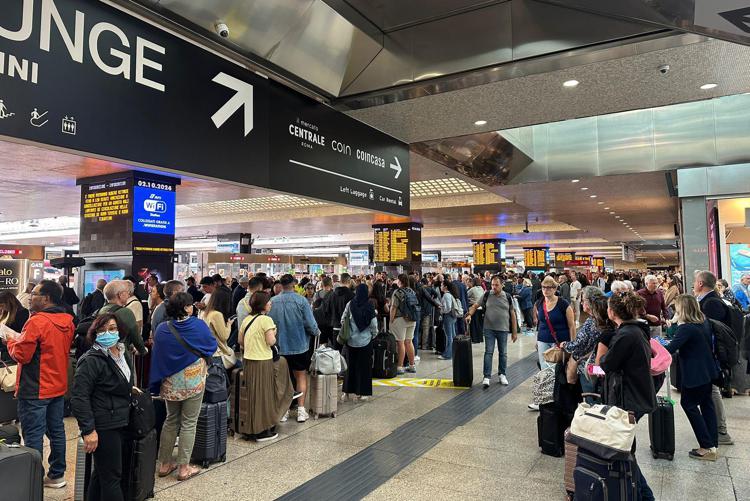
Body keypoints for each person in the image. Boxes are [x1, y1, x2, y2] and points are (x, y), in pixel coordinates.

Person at [6, 280, 75, 488]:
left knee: (33, 434)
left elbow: (22, 355)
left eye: (34, 293)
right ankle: (57, 475)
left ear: (46, 298)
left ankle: (33, 478)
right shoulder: (67, 320)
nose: (30, 297)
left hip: (35, 387)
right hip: (57, 385)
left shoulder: (36, 322)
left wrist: (10, 341)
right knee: (56, 431)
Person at [150, 292, 217, 481]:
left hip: (170, 382)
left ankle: (164, 464)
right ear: (187, 307)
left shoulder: (163, 329)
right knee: (189, 422)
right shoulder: (197, 325)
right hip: (193, 380)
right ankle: (183, 468)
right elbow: (210, 346)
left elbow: (159, 353)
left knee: (171, 420)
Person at [71, 314, 136, 500]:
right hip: (104, 424)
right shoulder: (91, 359)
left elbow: (117, 381)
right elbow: (79, 396)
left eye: (113, 328)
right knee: (112, 477)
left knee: (102, 473)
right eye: (102, 330)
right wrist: (88, 429)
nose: (108, 333)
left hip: (120, 419)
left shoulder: (122, 353)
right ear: (95, 333)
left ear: (120, 330)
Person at [600, 292, 657, 500]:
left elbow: (607, 363)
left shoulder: (625, 335)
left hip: (629, 396)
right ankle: (634, 492)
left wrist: (605, 354)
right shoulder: (637, 329)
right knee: (625, 447)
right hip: (637, 393)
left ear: (613, 312)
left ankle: (644, 494)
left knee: (624, 450)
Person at [237, 292, 298, 442]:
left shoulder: (247, 319)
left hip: (248, 361)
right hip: (263, 361)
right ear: (263, 305)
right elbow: (271, 341)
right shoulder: (266, 320)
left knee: (252, 395)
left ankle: (250, 429)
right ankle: (262, 430)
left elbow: (240, 340)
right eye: (268, 302)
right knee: (263, 396)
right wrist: (274, 332)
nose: (270, 304)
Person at [665, 295, 719, 460]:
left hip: (695, 374)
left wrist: (671, 326)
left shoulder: (686, 328)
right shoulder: (703, 322)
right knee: (707, 405)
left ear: (683, 309)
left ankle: (706, 446)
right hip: (708, 371)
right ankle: (712, 443)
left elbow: (671, 348)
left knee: (688, 404)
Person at [268, 274, 319, 423]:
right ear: (294, 284)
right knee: (301, 376)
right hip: (299, 346)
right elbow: (310, 324)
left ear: (281, 285)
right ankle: (301, 410)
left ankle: (283, 411)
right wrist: (316, 332)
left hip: (280, 347)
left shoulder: (273, 301)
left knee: (283, 379)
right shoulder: (301, 301)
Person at [693, 270, 734, 445]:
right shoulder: (713, 300)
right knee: (710, 391)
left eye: (696, 281)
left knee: (713, 390)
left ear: (701, 283)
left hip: (712, 354)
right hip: (710, 354)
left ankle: (721, 431)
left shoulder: (711, 304)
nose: (694, 284)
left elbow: (712, 331)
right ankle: (715, 428)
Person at [465, 276, 518, 388]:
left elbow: (512, 314)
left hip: (503, 329)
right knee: (488, 352)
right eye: (492, 285)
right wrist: (469, 314)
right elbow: (475, 305)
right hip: (489, 329)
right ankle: (486, 376)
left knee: (503, 353)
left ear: (502, 285)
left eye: (496, 285)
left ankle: (502, 374)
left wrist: (514, 332)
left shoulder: (507, 297)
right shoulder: (487, 294)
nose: (494, 287)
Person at [561, 287, 608, 399]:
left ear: (589, 302)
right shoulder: (605, 319)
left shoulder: (592, 322)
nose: (581, 303)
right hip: (603, 366)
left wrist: (565, 345)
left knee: (590, 397)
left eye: (583, 300)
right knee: (600, 394)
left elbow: (579, 344)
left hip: (589, 367)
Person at [340, 284, 378, 401]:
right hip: (365, 341)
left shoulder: (350, 304)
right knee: (364, 368)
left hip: (351, 341)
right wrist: (373, 335)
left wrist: (350, 331)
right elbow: (373, 324)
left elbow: (343, 320)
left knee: (350, 367)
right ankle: (363, 393)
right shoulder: (369, 305)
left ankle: (346, 392)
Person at [535, 276, 575, 371]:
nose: (545, 290)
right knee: (544, 368)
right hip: (543, 339)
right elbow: (540, 323)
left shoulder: (563, 304)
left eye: (549, 287)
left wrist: (573, 344)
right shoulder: (539, 303)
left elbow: (572, 325)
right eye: (543, 287)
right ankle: (546, 385)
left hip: (560, 341)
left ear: (555, 289)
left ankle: (556, 386)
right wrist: (536, 340)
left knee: (557, 370)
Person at [100, 280, 147, 357]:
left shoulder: (101, 310)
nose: (129, 295)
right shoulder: (126, 312)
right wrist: (143, 351)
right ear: (120, 295)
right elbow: (136, 337)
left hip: (102, 354)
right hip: (120, 355)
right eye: (126, 292)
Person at [199, 287, 234, 371]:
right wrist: (229, 325)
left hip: (207, 352)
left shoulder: (205, 312)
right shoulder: (216, 314)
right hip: (217, 354)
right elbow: (224, 336)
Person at [389, 274, 418, 373]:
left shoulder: (397, 292)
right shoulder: (412, 291)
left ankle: (400, 367)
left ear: (400, 281)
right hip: (412, 319)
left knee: (400, 343)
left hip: (400, 319)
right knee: (409, 342)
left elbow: (393, 307)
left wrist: (391, 320)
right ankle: (412, 365)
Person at [0, 291, 29, 361]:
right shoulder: (6, 313)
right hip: (6, 348)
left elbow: (23, 334)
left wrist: (9, 339)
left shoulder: (22, 313)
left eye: (2, 306)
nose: (2, 308)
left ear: (9, 303)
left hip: (13, 350)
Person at [417, 277, 441, 351]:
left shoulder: (418, 289)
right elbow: (436, 294)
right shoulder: (430, 289)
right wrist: (433, 299)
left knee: (418, 328)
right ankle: (424, 345)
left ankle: (418, 344)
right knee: (426, 328)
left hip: (419, 310)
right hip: (427, 310)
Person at [438, 280, 460, 361]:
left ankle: (447, 355)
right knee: (452, 335)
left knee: (449, 336)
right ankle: (453, 353)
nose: (441, 287)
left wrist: (441, 309)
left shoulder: (446, 295)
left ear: (445, 287)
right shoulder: (450, 294)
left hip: (448, 316)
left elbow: (448, 308)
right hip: (452, 317)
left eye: (441, 285)